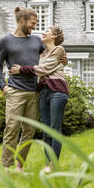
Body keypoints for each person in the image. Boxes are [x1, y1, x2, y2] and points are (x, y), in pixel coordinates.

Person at [0, 7, 66, 172]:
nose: (34, 27)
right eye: (32, 23)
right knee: (12, 128)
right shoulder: (5, 41)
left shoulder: (36, 41)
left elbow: (50, 56)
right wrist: (2, 86)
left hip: (34, 92)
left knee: (29, 131)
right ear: (22, 21)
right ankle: (6, 166)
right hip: (15, 91)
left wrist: (63, 60)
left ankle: (20, 165)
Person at [9, 26, 69, 173]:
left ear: (54, 36)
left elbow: (44, 69)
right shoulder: (42, 54)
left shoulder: (59, 50)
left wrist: (22, 69)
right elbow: (38, 67)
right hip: (43, 92)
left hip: (57, 91)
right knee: (46, 130)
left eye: (47, 31)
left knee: (55, 128)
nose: (43, 33)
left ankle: (53, 164)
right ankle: (49, 163)